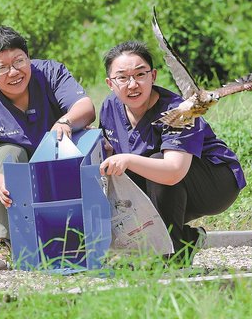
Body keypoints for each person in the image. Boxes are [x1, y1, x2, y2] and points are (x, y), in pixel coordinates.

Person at [0, 26, 96, 270]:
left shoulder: (51, 73)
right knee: (7, 154)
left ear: (28, 57)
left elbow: (85, 108)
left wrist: (65, 121)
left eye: (19, 61)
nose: (14, 72)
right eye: (1, 67)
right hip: (16, 174)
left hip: (56, 160)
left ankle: (94, 236)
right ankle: (1, 243)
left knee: (87, 137)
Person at [98, 41, 244, 265]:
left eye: (140, 74)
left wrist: (126, 158)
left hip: (213, 183)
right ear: (110, 83)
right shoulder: (110, 107)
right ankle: (184, 241)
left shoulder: (179, 110)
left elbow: (173, 171)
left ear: (153, 76)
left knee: (154, 162)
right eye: (122, 77)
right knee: (126, 173)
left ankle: (172, 255)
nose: (132, 84)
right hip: (168, 189)